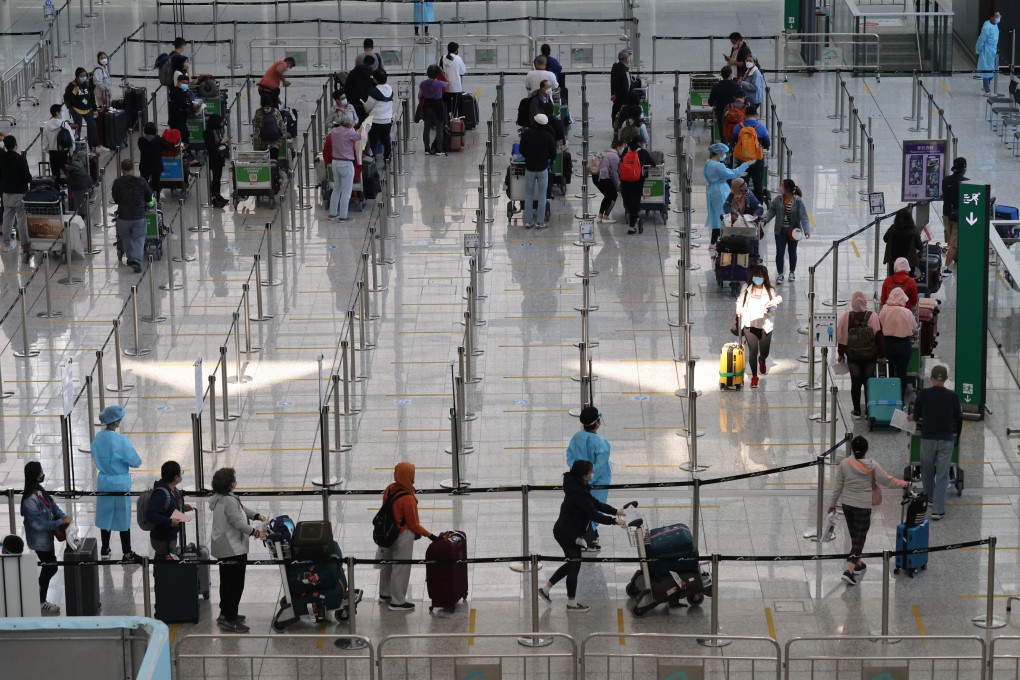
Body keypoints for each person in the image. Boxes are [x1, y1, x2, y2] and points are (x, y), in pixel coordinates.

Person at [538, 460, 626, 612]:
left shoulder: (578, 487)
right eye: (590, 472)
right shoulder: (579, 493)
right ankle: (571, 603)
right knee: (574, 566)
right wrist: (614, 521)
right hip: (567, 533)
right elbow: (593, 514)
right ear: (584, 475)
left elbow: (596, 503)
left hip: (565, 530)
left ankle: (546, 589)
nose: (592, 474)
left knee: (573, 563)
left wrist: (616, 511)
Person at [828, 436, 908, 586]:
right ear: (866, 450)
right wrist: (905, 483)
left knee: (854, 535)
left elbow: (838, 486)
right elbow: (888, 480)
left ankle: (858, 564)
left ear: (852, 449)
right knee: (859, 538)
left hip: (847, 504)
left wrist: (832, 504)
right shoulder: (872, 466)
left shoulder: (844, 464)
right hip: (863, 506)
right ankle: (849, 571)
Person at [209, 467, 267, 633]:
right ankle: (230, 618)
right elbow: (238, 523)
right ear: (229, 484)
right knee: (235, 584)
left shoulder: (222, 498)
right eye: (234, 479)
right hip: (232, 549)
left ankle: (225, 613)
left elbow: (241, 511)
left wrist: (256, 515)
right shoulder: (228, 501)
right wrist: (257, 532)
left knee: (226, 582)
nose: (236, 481)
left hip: (224, 547)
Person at [376, 462, 441, 611]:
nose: (413, 477)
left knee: (386, 565)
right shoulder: (408, 498)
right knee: (401, 567)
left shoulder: (390, 489)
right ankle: (397, 601)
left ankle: (384, 594)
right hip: (402, 536)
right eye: (412, 474)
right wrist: (431, 536)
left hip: (387, 533)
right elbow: (414, 525)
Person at [908, 365, 963, 521]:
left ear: (931, 378)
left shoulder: (923, 394)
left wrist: (914, 416)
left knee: (926, 470)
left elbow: (917, 415)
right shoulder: (952, 396)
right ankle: (938, 510)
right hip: (945, 439)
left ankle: (930, 498)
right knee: (942, 474)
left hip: (928, 439)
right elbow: (957, 416)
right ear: (945, 379)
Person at [91, 404, 142, 561]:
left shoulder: (98, 438)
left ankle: (105, 548)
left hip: (104, 480)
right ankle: (127, 552)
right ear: (116, 421)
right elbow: (135, 461)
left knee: (106, 514)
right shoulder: (121, 440)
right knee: (122, 517)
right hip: (120, 482)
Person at [21, 461, 71, 614]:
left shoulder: (39, 491)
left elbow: (52, 506)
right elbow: (37, 524)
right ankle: (40, 600)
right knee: (50, 567)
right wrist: (59, 522)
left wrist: (62, 517)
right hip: (39, 541)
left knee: (49, 566)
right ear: (35, 476)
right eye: (41, 472)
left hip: (46, 539)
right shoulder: (30, 499)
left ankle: (38, 596)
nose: (43, 474)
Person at [565, 407, 613, 551]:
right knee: (593, 510)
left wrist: (579, 476)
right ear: (597, 422)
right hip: (598, 483)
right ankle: (589, 540)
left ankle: (586, 537)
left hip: (579, 481)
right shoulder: (601, 443)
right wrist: (590, 478)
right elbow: (600, 464)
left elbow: (570, 458)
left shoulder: (576, 437)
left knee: (582, 508)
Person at [837, 291, 886, 419]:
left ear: (852, 302)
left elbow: (842, 338)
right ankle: (869, 410)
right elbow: (879, 337)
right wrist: (881, 356)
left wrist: (841, 354)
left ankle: (857, 411)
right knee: (868, 382)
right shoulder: (873, 316)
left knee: (856, 382)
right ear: (865, 301)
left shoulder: (846, 316)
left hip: (853, 356)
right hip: (870, 356)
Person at [735, 265, 782, 388]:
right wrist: (738, 309)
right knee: (752, 351)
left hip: (764, 325)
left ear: (764, 278)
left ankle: (762, 359)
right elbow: (740, 300)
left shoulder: (770, 291)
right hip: (749, 324)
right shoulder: (746, 288)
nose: (757, 279)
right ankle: (754, 377)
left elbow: (774, 306)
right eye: (755, 276)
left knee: (764, 350)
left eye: (760, 277)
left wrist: (768, 309)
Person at [761, 178, 811, 284]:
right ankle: (780, 274)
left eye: (782, 186)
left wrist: (806, 230)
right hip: (780, 231)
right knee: (780, 252)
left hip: (793, 232)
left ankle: (792, 272)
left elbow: (804, 217)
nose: (780, 188)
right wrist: (765, 219)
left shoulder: (797, 201)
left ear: (787, 188)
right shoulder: (778, 199)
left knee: (792, 252)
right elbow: (771, 211)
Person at [111, 159, 153, 273]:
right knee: (139, 238)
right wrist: (149, 203)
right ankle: (137, 260)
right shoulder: (141, 181)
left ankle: (130, 258)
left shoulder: (117, 182)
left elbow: (115, 199)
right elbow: (149, 197)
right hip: (138, 215)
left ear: (121, 169)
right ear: (133, 169)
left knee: (126, 238)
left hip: (123, 216)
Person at [704, 142, 749, 245]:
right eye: (724, 153)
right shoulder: (718, 166)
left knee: (716, 217)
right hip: (720, 192)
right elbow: (733, 174)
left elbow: (725, 173)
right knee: (724, 216)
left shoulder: (708, 163)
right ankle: (722, 241)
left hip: (712, 192)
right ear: (719, 153)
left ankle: (714, 242)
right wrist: (746, 165)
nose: (725, 155)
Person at [146, 460, 192, 558]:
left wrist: (181, 507)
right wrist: (169, 521)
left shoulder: (172, 489)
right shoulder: (161, 493)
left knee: (168, 561)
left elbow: (168, 507)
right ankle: (158, 573)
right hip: (163, 538)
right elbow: (150, 514)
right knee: (164, 563)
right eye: (180, 473)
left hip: (170, 535)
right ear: (176, 477)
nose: (181, 475)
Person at [877, 287, 917, 399]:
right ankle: (900, 399)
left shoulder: (884, 310)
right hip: (904, 346)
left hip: (887, 345)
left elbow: (878, 327)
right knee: (902, 374)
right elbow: (914, 328)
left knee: (888, 373)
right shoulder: (907, 312)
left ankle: (889, 398)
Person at [519, 113, 557, 230]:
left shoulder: (526, 134)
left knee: (528, 195)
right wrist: (546, 159)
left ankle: (528, 221)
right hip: (542, 169)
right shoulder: (548, 136)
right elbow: (553, 154)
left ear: (535, 122)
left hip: (530, 168)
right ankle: (540, 222)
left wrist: (529, 157)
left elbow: (521, 149)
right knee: (542, 196)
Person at [730, 104, 770, 202]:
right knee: (758, 185)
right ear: (756, 115)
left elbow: (733, 142)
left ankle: (743, 205)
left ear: (744, 114)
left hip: (743, 161)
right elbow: (767, 144)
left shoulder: (738, 127)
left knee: (743, 185)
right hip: (757, 160)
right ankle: (759, 205)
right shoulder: (761, 127)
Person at [0, 135, 32, 256]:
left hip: (6, 194)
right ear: (15, 145)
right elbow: (27, 177)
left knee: (7, 219)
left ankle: (6, 244)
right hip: (19, 194)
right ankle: (24, 246)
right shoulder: (20, 159)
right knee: (22, 220)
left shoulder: (1, 158)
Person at [326, 115, 360, 221]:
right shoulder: (350, 132)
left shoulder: (334, 131)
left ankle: (332, 213)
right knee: (346, 192)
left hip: (335, 163)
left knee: (336, 189)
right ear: (350, 124)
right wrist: (366, 128)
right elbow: (359, 137)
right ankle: (343, 216)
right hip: (346, 164)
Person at [619, 136, 655, 235]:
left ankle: (633, 224)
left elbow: (621, 161)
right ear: (639, 143)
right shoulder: (643, 152)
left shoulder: (626, 151)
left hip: (625, 181)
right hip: (638, 181)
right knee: (635, 203)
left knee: (627, 203)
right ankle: (635, 221)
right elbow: (653, 164)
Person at [137, 122, 177, 206]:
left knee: (143, 183)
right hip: (156, 166)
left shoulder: (140, 140)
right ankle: (156, 200)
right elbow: (169, 147)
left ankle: (144, 200)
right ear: (155, 130)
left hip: (144, 165)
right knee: (156, 184)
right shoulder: (158, 139)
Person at [940, 157, 967, 275]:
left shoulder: (945, 180)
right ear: (964, 168)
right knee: (954, 244)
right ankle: (946, 267)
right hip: (958, 217)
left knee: (950, 240)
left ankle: (956, 259)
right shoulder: (966, 182)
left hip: (946, 214)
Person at [64, 67, 99, 149]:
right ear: (77, 76)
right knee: (77, 128)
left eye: (85, 75)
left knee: (93, 126)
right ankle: (76, 146)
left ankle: (95, 145)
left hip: (87, 109)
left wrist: (95, 109)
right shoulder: (71, 85)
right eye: (82, 75)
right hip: (76, 110)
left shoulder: (87, 83)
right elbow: (67, 98)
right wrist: (74, 92)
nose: (84, 77)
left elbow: (92, 97)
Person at [364, 69, 394, 163]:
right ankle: (387, 159)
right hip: (387, 120)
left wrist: (364, 106)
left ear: (375, 80)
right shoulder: (390, 89)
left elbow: (367, 107)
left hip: (375, 121)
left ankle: (372, 160)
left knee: (373, 141)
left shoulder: (374, 91)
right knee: (386, 140)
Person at [883, 208, 922, 276]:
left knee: (894, 278)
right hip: (909, 262)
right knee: (909, 279)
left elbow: (885, 239)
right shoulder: (913, 231)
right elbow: (920, 246)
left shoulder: (892, 229)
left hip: (893, 261)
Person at [708, 66, 742, 142]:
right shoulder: (737, 86)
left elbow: (710, 102)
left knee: (723, 136)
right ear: (730, 74)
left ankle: (725, 151)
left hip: (721, 115)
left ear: (722, 75)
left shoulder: (716, 87)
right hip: (736, 115)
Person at [419, 65, 448, 155]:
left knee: (426, 127)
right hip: (438, 106)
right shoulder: (439, 83)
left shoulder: (423, 83)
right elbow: (448, 83)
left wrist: (421, 104)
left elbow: (420, 95)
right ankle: (439, 149)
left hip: (427, 105)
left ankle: (427, 149)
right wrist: (443, 74)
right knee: (439, 128)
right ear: (437, 74)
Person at [168, 74, 203, 145]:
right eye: (184, 83)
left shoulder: (181, 91)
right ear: (178, 82)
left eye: (187, 83)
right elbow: (182, 104)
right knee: (183, 138)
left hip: (180, 119)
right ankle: (183, 152)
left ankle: (185, 152)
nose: (186, 85)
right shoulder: (176, 92)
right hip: (177, 120)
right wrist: (192, 105)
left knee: (185, 135)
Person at [42, 104, 74, 182]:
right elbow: (72, 140)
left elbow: (45, 144)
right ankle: (69, 192)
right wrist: (71, 152)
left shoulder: (46, 125)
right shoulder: (64, 124)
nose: (62, 113)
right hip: (64, 153)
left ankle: (56, 192)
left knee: (55, 177)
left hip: (53, 155)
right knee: (69, 175)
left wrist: (49, 152)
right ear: (57, 113)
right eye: (61, 111)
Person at [203, 114, 230, 207]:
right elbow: (210, 146)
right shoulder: (207, 133)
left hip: (219, 157)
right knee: (215, 178)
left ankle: (218, 194)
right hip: (213, 158)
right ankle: (214, 196)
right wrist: (221, 142)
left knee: (218, 178)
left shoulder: (215, 131)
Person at [595, 138, 624, 221]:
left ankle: (600, 216)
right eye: (623, 147)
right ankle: (605, 216)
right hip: (603, 177)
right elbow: (614, 173)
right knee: (613, 195)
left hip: (596, 177)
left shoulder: (606, 152)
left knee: (608, 195)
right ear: (618, 147)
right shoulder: (614, 156)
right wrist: (618, 185)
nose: (623, 149)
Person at [252, 96, 287, 162]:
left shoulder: (258, 112)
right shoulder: (276, 111)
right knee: (274, 159)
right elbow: (281, 125)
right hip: (276, 141)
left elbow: (256, 126)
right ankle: (275, 169)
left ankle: (267, 168)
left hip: (264, 142)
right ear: (270, 103)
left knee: (265, 160)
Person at [976, 10, 1001, 96]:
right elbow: (981, 39)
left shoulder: (995, 25)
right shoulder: (987, 27)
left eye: (999, 16)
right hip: (986, 51)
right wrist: (978, 49)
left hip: (993, 51)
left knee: (992, 71)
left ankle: (985, 86)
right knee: (986, 71)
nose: (998, 17)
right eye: (996, 16)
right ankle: (987, 91)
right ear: (991, 17)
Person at [442, 42, 467, 119]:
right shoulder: (458, 59)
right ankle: (454, 123)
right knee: (455, 108)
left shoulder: (442, 58)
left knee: (446, 106)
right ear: (456, 50)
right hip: (456, 87)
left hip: (445, 86)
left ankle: (446, 122)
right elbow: (463, 71)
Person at [610, 50, 631, 124]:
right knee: (623, 117)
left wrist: (613, 95)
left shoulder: (615, 68)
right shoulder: (625, 71)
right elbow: (626, 88)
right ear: (626, 59)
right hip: (623, 99)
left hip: (615, 98)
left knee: (616, 116)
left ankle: (615, 133)